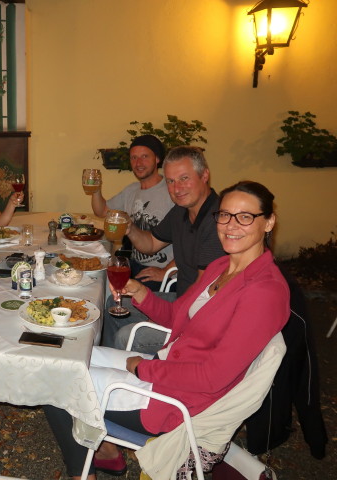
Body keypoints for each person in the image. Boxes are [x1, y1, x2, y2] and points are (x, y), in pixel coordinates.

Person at [45, 181, 290, 479]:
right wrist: (137, 291)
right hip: (169, 370)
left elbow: (212, 377)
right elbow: (177, 316)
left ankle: (83, 473)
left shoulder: (264, 291)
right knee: (66, 356)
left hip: (179, 400)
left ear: (269, 222)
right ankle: (106, 453)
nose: (230, 225)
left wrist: (144, 369)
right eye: (224, 215)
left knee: (56, 378)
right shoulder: (221, 266)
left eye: (245, 216)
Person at [101, 146, 226, 351]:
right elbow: (150, 244)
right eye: (170, 181)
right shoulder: (181, 211)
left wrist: (150, 301)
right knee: (113, 304)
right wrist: (129, 227)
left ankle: (140, 372)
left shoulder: (218, 222)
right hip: (180, 300)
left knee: (126, 336)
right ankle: (111, 363)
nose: (177, 188)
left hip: (198, 322)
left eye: (184, 178)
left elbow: (201, 299)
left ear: (204, 175)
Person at [91, 134, 175, 290]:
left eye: (144, 156)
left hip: (161, 274)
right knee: (98, 280)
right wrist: (95, 189)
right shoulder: (131, 190)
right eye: (134, 157)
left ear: (157, 159)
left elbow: (191, 242)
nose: (138, 163)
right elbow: (101, 211)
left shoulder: (172, 191)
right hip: (136, 265)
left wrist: (166, 271)